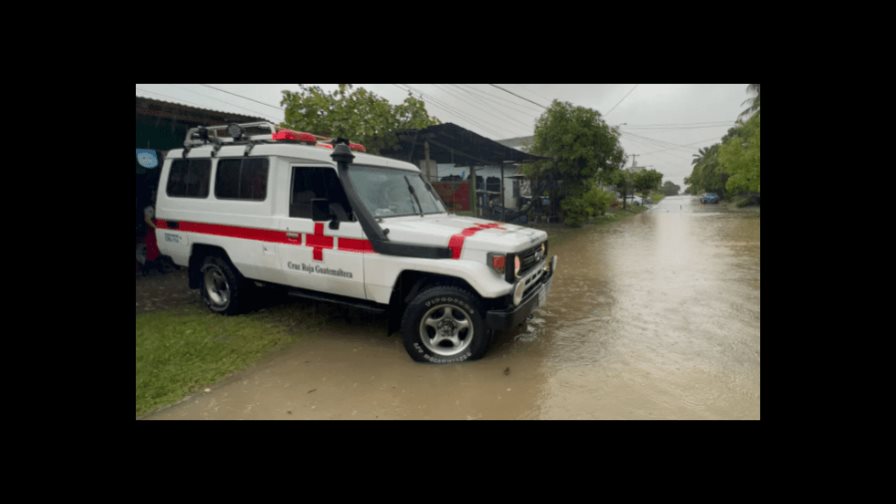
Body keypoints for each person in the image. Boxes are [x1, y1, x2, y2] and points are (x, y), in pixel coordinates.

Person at [142, 190, 164, 276]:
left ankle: (157, 269)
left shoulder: (157, 207)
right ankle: (146, 270)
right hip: (151, 233)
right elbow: (147, 219)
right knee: (151, 252)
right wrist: (156, 228)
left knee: (156, 251)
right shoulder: (149, 208)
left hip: (156, 233)